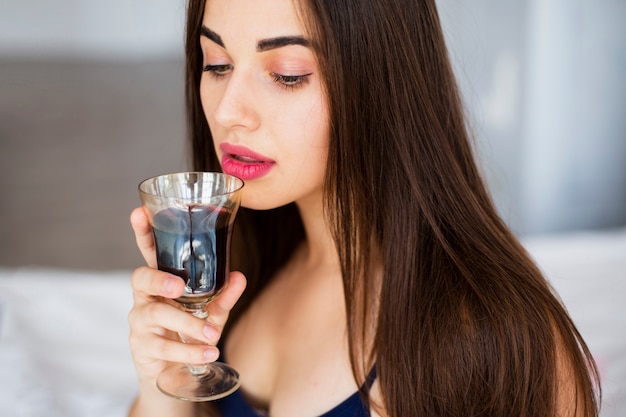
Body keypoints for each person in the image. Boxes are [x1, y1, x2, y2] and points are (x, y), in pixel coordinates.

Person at [128, 0, 601, 416]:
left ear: (379, 79)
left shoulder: (483, 340)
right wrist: (162, 386)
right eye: (216, 64)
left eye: (287, 74)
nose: (230, 110)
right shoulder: (248, 260)